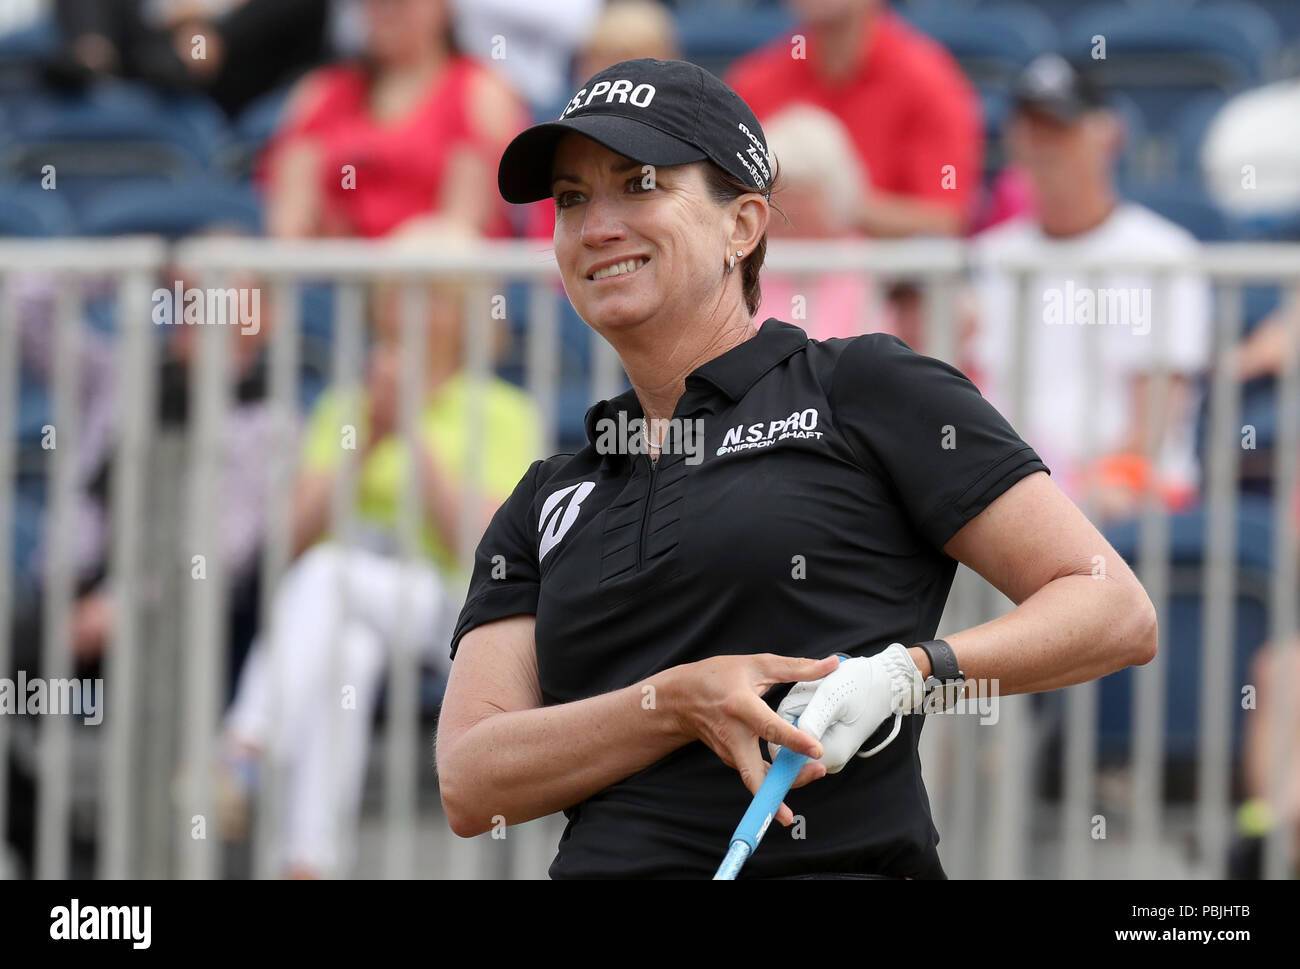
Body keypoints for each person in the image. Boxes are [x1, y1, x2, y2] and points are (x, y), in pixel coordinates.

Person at [434, 57, 1158, 879]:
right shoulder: (549, 496)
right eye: (571, 199)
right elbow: (470, 780)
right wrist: (674, 703)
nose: (597, 224)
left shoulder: (864, 387)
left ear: (742, 224)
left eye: (639, 185)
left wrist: (909, 671)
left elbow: (1112, 606)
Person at [219, 220, 541, 878]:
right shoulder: (346, 404)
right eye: (395, 293)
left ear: (462, 312)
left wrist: (413, 433)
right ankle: (307, 864)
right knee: (348, 652)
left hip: (455, 603)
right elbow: (284, 541)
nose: (404, 311)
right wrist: (367, 433)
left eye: (429, 296)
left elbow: (490, 552)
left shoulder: (503, 409)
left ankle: (244, 746)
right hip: (349, 602)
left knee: (329, 574)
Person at [968, 54, 1213, 522]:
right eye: (1033, 129)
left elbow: (1155, 422)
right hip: (1007, 497)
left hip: (1126, 498)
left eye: (1061, 129)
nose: (1046, 147)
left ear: (1107, 133)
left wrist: (1070, 493)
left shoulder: (1165, 255)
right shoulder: (990, 257)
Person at [260, 0, 526, 240]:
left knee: (442, 250)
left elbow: (465, 224)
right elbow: (291, 219)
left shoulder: (479, 91)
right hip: (335, 280)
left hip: (432, 279)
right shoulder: (321, 93)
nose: (384, 10)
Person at [725, 0, 983, 238]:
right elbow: (724, 206)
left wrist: (836, 204)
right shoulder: (754, 83)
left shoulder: (930, 82)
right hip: (769, 278)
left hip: (890, 282)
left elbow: (946, 220)